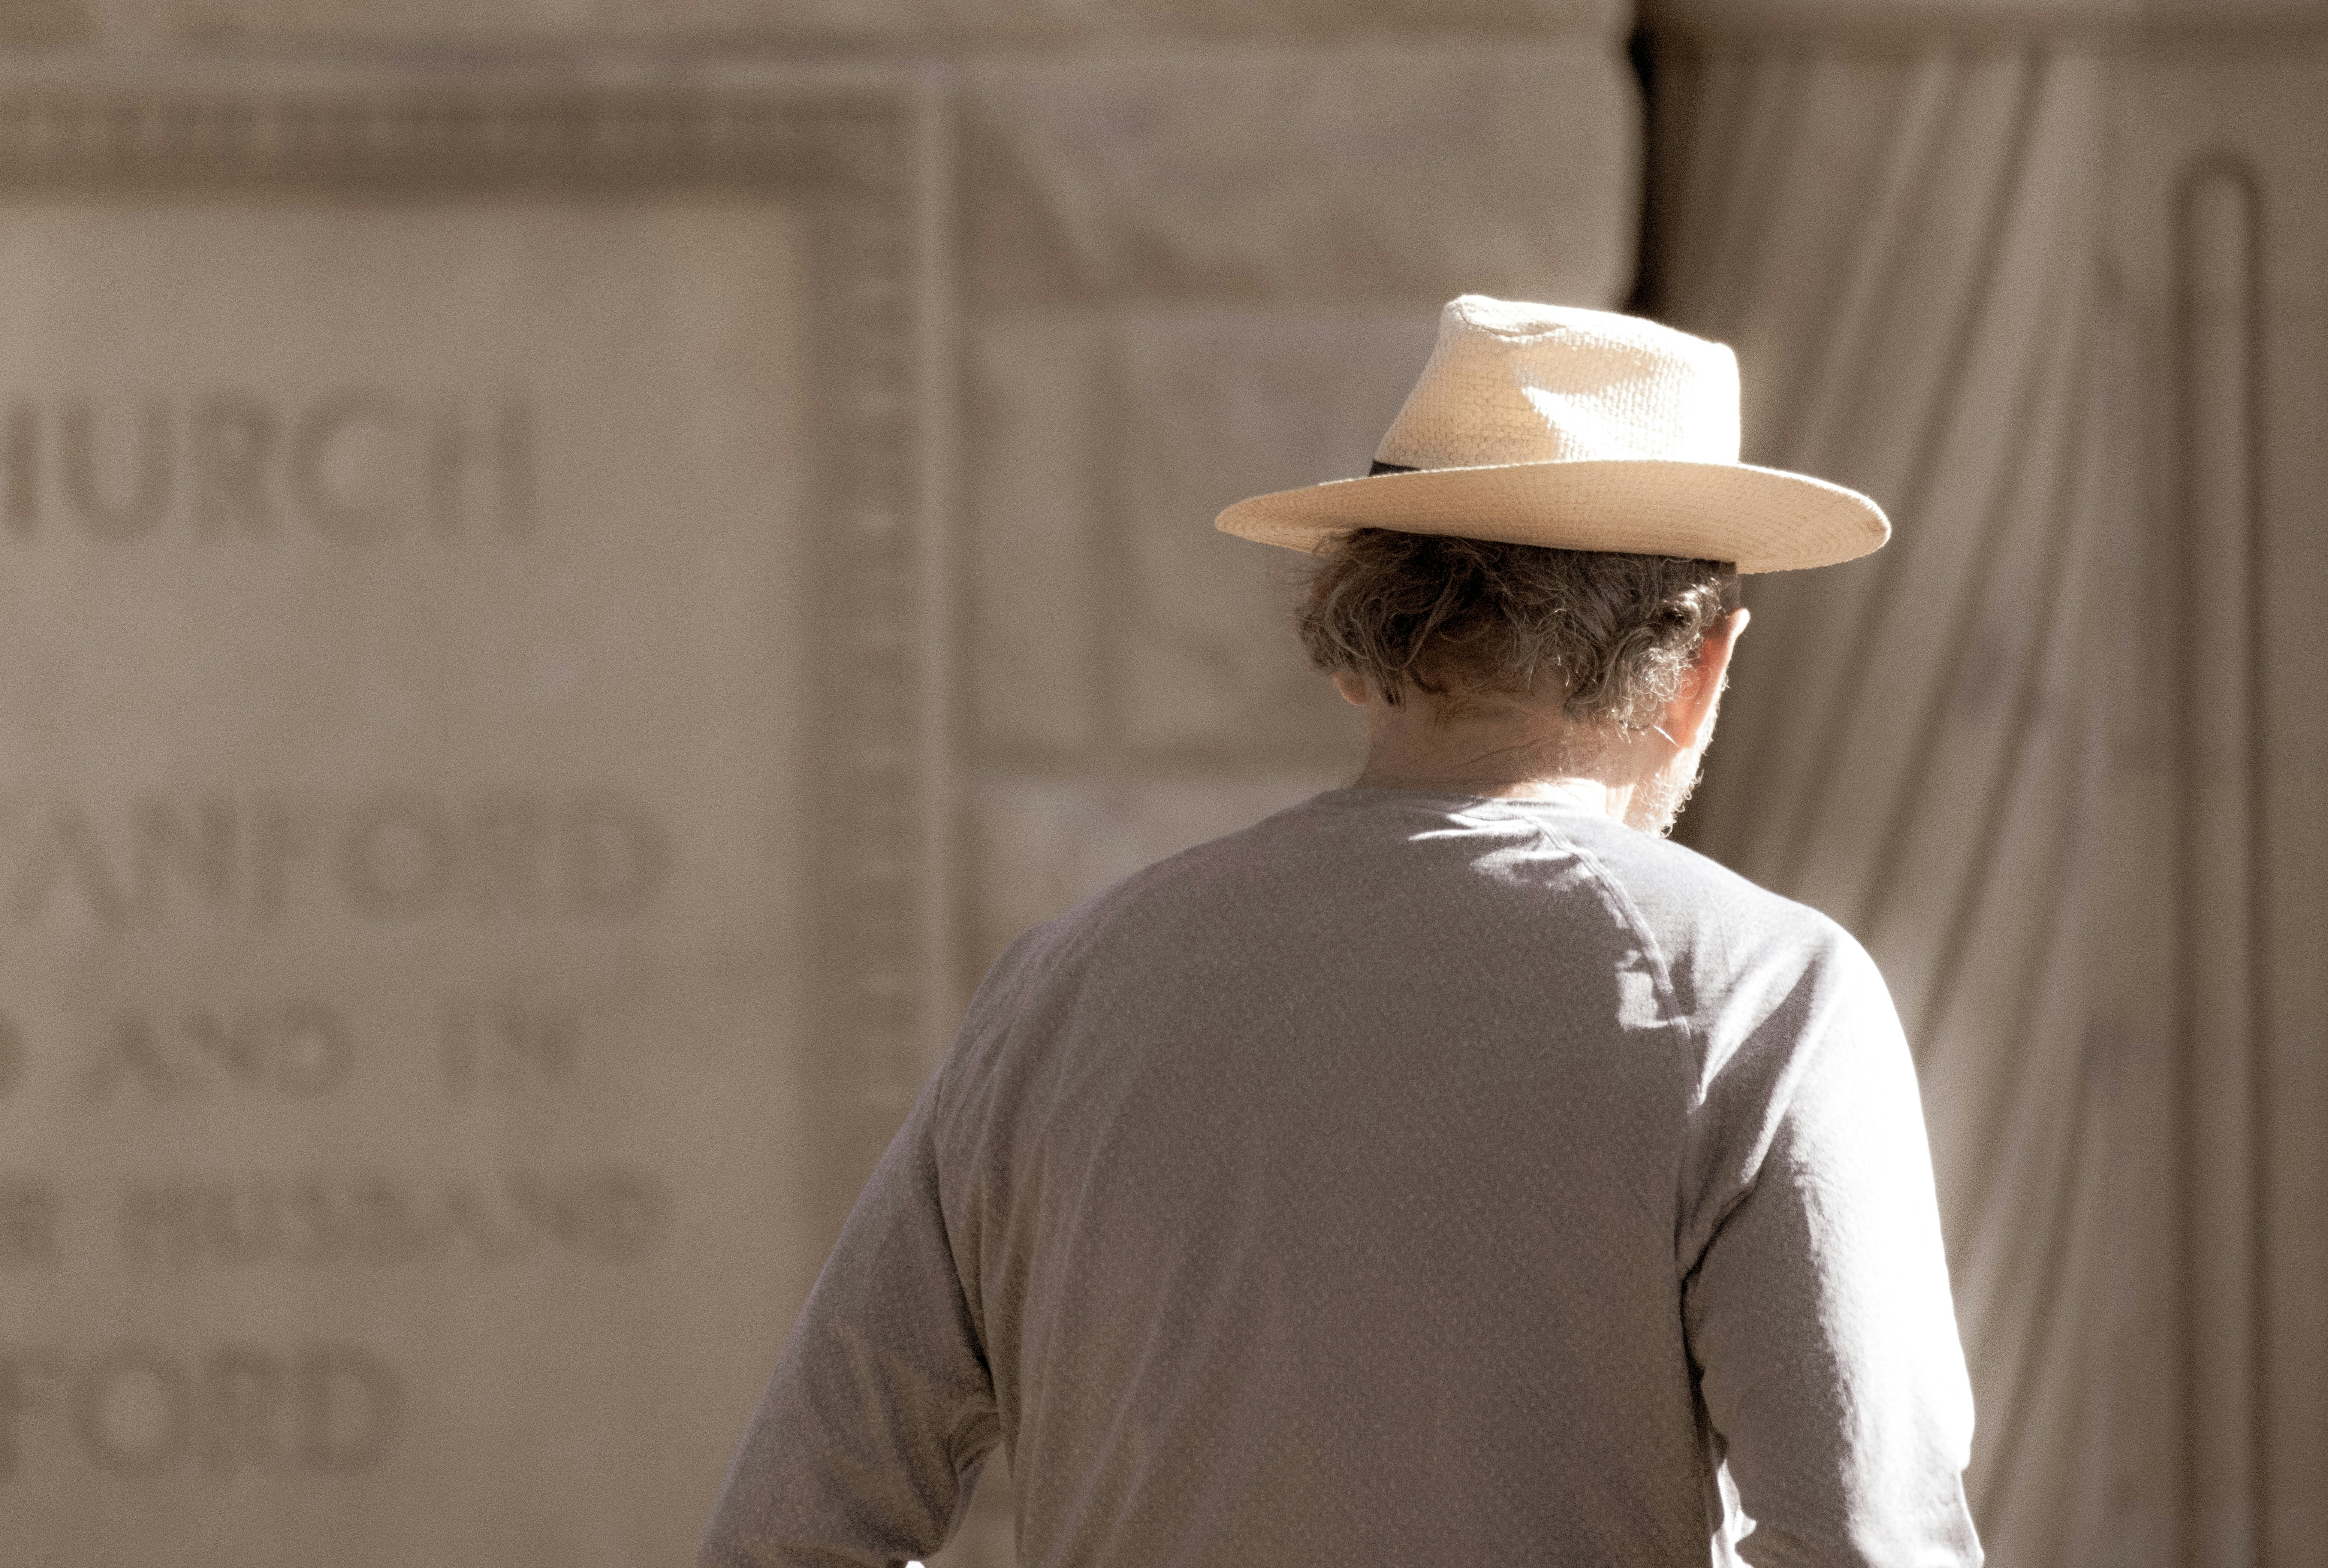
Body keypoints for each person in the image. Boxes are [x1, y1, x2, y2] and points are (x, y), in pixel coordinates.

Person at [700, 295, 1984, 1568]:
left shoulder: (1063, 988)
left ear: (1354, 644)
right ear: (1703, 665)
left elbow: (792, 1535)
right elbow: (1871, 1542)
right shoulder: (1761, 996)